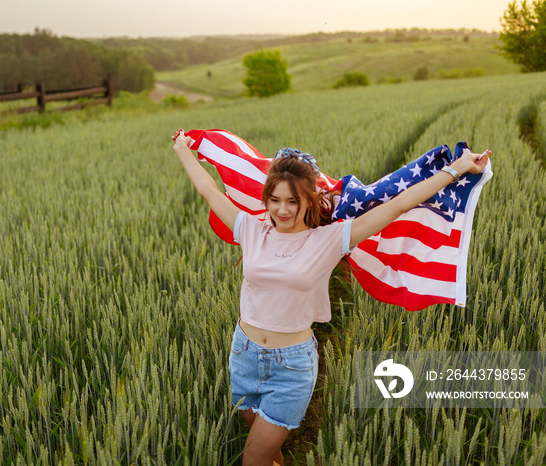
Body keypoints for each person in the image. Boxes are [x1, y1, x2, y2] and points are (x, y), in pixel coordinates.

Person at [171, 129, 491, 466]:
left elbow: (398, 203)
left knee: (252, 459)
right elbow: (208, 190)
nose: (282, 210)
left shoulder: (329, 239)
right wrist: (182, 149)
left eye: (293, 201)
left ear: (309, 201)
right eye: (275, 200)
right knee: (268, 455)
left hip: (290, 367)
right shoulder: (250, 229)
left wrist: (456, 169)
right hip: (244, 356)